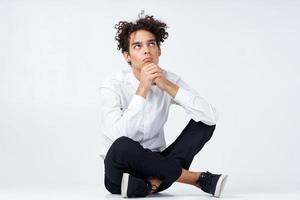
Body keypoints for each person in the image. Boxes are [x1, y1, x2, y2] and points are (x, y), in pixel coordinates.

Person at [99, 12, 228, 198]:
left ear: (159, 51)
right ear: (127, 56)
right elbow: (117, 137)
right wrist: (143, 88)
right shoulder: (112, 86)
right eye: (138, 46)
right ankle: (196, 179)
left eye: (151, 44)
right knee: (122, 146)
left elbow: (211, 116)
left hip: (160, 166)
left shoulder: (169, 79)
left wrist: (165, 85)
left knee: (204, 123)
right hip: (119, 174)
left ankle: (149, 184)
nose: (146, 50)